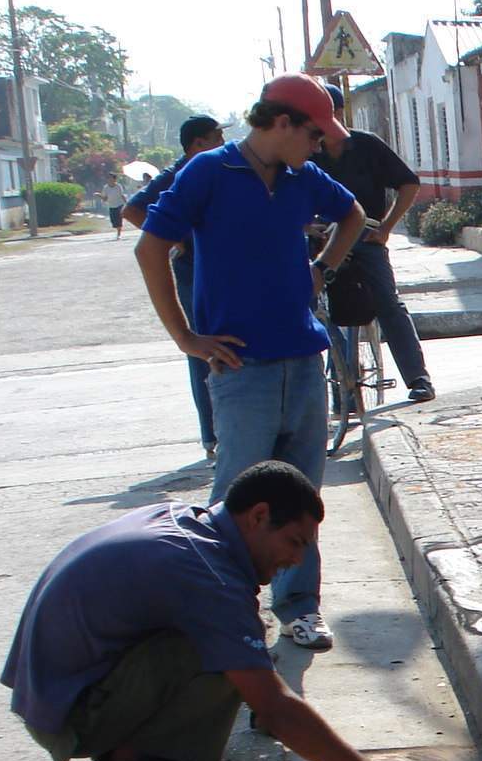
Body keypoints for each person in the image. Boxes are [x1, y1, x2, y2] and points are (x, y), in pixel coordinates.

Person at [0, 460, 436, 761]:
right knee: (225, 650)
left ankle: (125, 737)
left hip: (48, 692)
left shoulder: (186, 520)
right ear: (258, 516)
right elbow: (276, 706)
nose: (297, 561)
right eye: (294, 542)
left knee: (240, 635)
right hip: (69, 717)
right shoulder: (208, 575)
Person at [133, 74, 367, 654]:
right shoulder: (209, 172)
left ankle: (299, 608)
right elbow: (150, 246)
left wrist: (321, 268)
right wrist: (185, 337)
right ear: (282, 123)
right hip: (241, 368)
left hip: (303, 360)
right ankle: (226, 613)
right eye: (314, 134)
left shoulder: (301, 177)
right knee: (235, 503)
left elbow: (353, 215)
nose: (319, 146)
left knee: (302, 497)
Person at [313, 84, 435, 403]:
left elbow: (408, 184)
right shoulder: (307, 152)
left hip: (366, 236)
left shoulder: (366, 145)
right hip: (322, 241)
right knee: (316, 308)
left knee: (388, 303)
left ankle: (418, 378)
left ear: (340, 113)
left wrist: (386, 227)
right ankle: (341, 388)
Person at [125, 115, 228, 463]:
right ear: (197, 144)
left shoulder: (218, 169)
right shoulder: (179, 173)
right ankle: (212, 433)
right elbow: (132, 210)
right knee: (201, 347)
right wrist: (176, 239)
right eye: (216, 137)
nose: (222, 143)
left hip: (218, 269)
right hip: (192, 273)